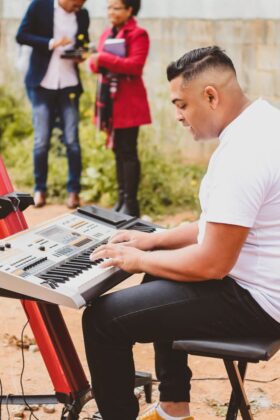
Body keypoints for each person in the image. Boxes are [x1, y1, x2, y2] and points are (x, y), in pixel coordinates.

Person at [82, 46, 280, 420]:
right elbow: (217, 223)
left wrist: (137, 258)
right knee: (157, 271)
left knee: (102, 319)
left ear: (210, 96)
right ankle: (174, 409)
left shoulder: (244, 154)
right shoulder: (265, 122)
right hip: (262, 283)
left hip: (260, 301)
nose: (177, 116)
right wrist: (152, 240)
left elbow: (212, 263)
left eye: (181, 105)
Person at [16, 0, 90, 209]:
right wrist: (51, 43)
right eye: (76, 4)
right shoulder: (39, 5)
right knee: (41, 141)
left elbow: (83, 43)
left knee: (72, 140)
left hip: (69, 84)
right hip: (42, 83)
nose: (78, 8)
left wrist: (80, 54)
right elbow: (21, 35)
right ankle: (40, 189)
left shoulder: (82, 15)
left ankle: (73, 191)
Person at [88, 0, 151, 217]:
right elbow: (94, 65)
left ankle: (131, 205)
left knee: (128, 152)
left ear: (129, 10)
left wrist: (102, 58)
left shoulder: (138, 34)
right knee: (117, 151)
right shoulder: (107, 33)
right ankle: (121, 199)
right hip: (110, 102)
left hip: (129, 102)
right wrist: (95, 61)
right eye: (109, 8)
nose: (111, 12)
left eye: (116, 8)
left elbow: (135, 66)